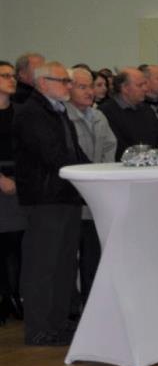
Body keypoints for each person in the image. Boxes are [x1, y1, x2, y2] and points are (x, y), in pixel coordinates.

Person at [13, 62, 87, 346]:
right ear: (43, 83)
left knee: (64, 264)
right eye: (63, 81)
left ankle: (58, 323)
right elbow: (51, 154)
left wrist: (93, 171)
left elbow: (74, 151)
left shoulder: (59, 111)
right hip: (45, 199)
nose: (68, 86)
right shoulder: (31, 113)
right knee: (42, 265)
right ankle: (38, 329)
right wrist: (81, 173)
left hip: (66, 196)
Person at [66, 66, 117, 306]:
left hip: (97, 195)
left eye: (90, 87)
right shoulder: (63, 117)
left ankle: (93, 301)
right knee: (69, 255)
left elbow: (109, 147)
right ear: (68, 88)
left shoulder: (98, 116)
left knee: (93, 252)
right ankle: (72, 305)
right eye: (82, 87)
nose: (89, 92)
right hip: (71, 196)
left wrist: (102, 175)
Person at [0, 60, 26, 324]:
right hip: (1, 179)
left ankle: (14, 295)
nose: (11, 79)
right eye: (4, 75)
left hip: (19, 180)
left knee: (16, 243)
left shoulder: (20, 112)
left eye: (12, 75)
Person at [100, 66, 158, 157]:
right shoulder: (106, 112)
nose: (145, 89)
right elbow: (116, 147)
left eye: (145, 84)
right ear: (124, 88)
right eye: (140, 85)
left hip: (153, 163)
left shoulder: (147, 110)